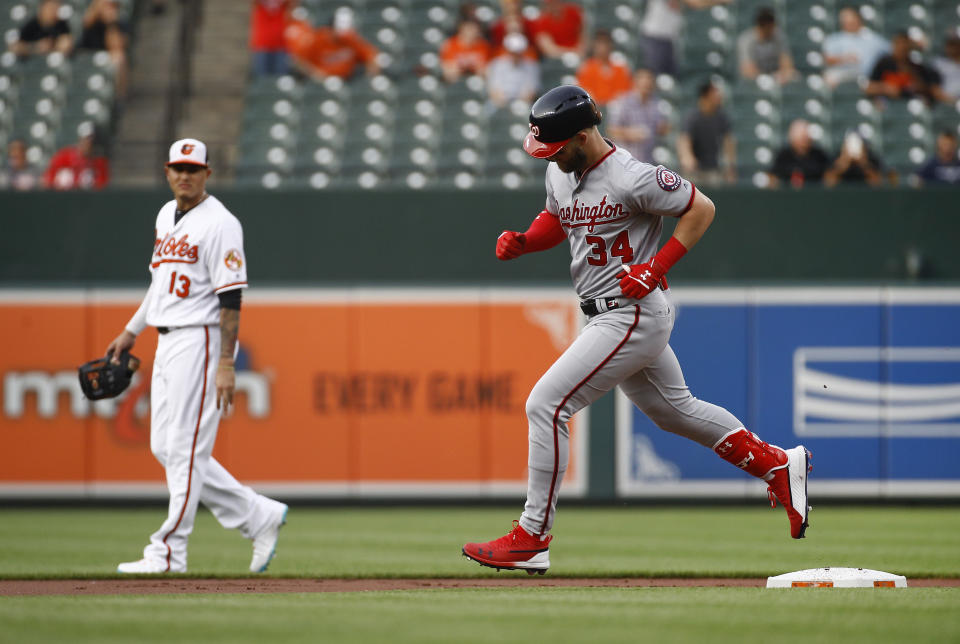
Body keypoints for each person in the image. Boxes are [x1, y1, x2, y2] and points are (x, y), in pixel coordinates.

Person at [461, 85, 811, 575]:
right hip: (603, 312)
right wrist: (526, 240)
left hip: (632, 311)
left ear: (583, 136)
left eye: (557, 147)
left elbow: (701, 209)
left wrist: (658, 265)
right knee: (675, 412)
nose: (550, 156)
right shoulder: (561, 171)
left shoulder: (630, 175)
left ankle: (532, 535)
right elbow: (557, 218)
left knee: (546, 404)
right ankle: (776, 464)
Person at [107, 139, 288, 574]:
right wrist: (132, 330)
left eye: (193, 168)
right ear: (167, 172)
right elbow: (161, 283)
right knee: (165, 447)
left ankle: (169, 552)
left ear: (207, 173)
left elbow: (231, 297)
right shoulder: (165, 215)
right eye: (177, 168)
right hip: (166, 339)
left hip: (202, 339)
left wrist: (226, 363)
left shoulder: (221, 223)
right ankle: (256, 515)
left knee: (185, 448)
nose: (184, 175)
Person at [639, 0, 731, 77]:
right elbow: (695, 3)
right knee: (655, 77)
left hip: (669, 39)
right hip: (655, 38)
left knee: (670, 78)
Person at [286, 6, 379, 81]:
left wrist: (369, 76)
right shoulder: (317, 39)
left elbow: (371, 56)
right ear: (331, 29)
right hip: (320, 85)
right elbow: (298, 61)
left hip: (346, 82)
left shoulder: (351, 39)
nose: (344, 36)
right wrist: (314, 73)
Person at [676, 80, 736, 185]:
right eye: (715, 92)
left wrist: (730, 166)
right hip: (694, 170)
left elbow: (728, 141)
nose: (719, 96)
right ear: (706, 95)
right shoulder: (693, 117)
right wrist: (687, 157)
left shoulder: (721, 117)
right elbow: (684, 139)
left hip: (712, 168)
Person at [866, 31, 948, 104]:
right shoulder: (884, 63)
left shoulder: (916, 65)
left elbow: (927, 89)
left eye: (905, 44)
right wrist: (884, 87)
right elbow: (869, 87)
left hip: (911, 104)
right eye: (898, 43)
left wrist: (911, 74)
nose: (901, 47)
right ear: (893, 45)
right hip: (889, 104)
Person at [606, 68, 667, 164]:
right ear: (635, 82)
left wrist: (663, 127)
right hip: (625, 161)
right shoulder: (623, 102)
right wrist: (630, 133)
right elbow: (611, 130)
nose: (647, 84)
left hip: (648, 161)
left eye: (649, 81)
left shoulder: (656, 104)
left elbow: (662, 130)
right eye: (644, 81)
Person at [822, 5, 889, 88]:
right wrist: (845, 58)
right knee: (830, 77)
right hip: (843, 72)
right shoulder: (834, 39)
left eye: (850, 18)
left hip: (868, 75)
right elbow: (827, 59)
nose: (847, 21)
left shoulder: (872, 38)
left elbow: (891, 51)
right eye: (844, 19)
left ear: (859, 19)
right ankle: (830, 100)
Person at [78, 0, 129, 98]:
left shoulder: (119, 23)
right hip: (89, 58)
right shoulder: (92, 22)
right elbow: (82, 44)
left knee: (118, 57)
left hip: (108, 60)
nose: (108, 9)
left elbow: (116, 46)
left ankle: (116, 99)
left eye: (112, 6)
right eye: (106, 5)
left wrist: (111, 25)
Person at [737, 6, 795, 85]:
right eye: (764, 23)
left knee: (794, 76)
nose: (768, 26)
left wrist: (781, 75)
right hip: (754, 82)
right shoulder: (746, 39)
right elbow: (747, 70)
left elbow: (787, 64)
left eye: (770, 22)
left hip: (777, 78)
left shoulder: (779, 36)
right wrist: (766, 79)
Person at [766, 119, 831, 188]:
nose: (804, 140)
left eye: (806, 137)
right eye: (801, 137)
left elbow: (830, 177)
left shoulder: (819, 155)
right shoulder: (783, 155)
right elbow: (772, 176)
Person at [575, 30, 632, 106]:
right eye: (600, 43)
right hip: (593, 109)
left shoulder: (620, 67)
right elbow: (583, 92)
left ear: (611, 46)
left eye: (606, 43)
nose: (603, 47)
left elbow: (625, 92)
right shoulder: (587, 67)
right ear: (594, 46)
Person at [44, 124, 109, 190]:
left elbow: (102, 186)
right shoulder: (63, 157)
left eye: (92, 140)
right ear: (80, 139)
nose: (89, 143)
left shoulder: (99, 163)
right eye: (87, 139)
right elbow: (48, 181)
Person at [486, 32, 540, 109]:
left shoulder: (532, 66)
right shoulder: (497, 65)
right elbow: (494, 91)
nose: (515, 55)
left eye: (518, 52)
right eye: (512, 52)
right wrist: (503, 103)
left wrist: (519, 103)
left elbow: (531, 92)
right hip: (500, 102)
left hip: (522, 103)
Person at [8, 0, 73, 58]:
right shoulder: (31, 24)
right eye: (51, 8)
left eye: (57, 7)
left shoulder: (62, 24)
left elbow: (67, 42)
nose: (54, 12)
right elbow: (14, 47)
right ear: (42, 8)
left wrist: (56, 47)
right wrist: (35, 47)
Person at [440, 18, 492, 83]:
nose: (471, 32)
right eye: (469, 29)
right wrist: (470, 68)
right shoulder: (450, 44)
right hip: (456, 80)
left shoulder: (484, 45)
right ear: (461, 29)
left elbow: (484, 68)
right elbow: (448, 67)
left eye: (474, 29)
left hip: (477, 80)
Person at [250, 0, 292, 77]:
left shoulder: (284, 4)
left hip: (281, 46)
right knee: (261, 78)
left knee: (280, 79)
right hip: (261, 46)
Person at [932, 35, 960, 99]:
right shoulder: (938, 63)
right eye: (950, 45)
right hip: (945, 103)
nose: (953, 48)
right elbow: (934, 90)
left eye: (955, 44)